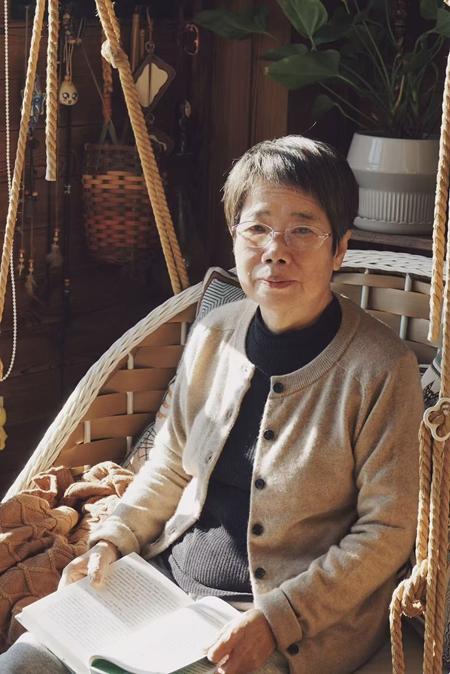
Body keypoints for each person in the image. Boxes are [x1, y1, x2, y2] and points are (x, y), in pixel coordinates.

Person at [0, 136, 423, 674]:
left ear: (339, 248)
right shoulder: (213, 334)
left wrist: (276, 620)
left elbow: (386, 532)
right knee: (23, 664)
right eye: (258, 228)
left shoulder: (382, 369)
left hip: (282, 624)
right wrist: (111, 542)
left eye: (302, 230)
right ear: (235, 238)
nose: (276, 250)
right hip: (162, 585)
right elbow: (171, 466)